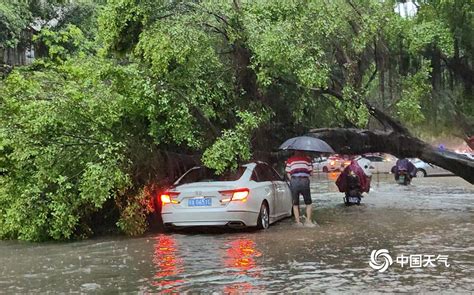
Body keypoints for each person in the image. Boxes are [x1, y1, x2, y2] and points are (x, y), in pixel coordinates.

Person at [285, 150, 316, 227]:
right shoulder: (307, 160)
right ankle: (308, 221)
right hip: (304, 181)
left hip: (294, 181)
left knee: (295, 203)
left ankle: (298, 222)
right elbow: (311, 173)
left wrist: (292, 180)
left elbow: (288, 173)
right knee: (308, 202)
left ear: (295, 151)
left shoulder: (290, 160)